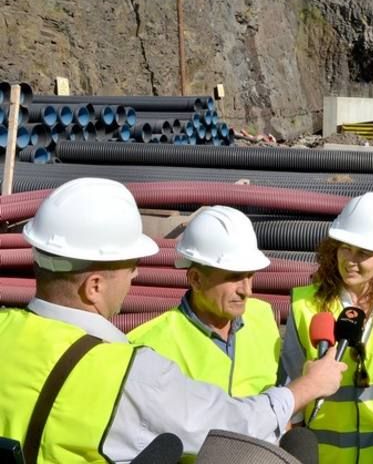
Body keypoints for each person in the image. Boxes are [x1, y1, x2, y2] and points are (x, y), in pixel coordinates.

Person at [0, 178, 346, 463]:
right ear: (94, 286)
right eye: (130, 265)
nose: (135, 275)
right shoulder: (130, 370)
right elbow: (230, 426)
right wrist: (305, 388)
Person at [280, 192, 373, 464]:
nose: (350, 260)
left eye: (363, 252)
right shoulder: (305, 305)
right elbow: (290, 391)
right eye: (345, 247)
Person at [128, 206, 280, 397]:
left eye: (250, 276)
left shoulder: (262, 315)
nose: (247, 291)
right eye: (234, 277)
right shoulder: (149, 345)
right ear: (196, 279)